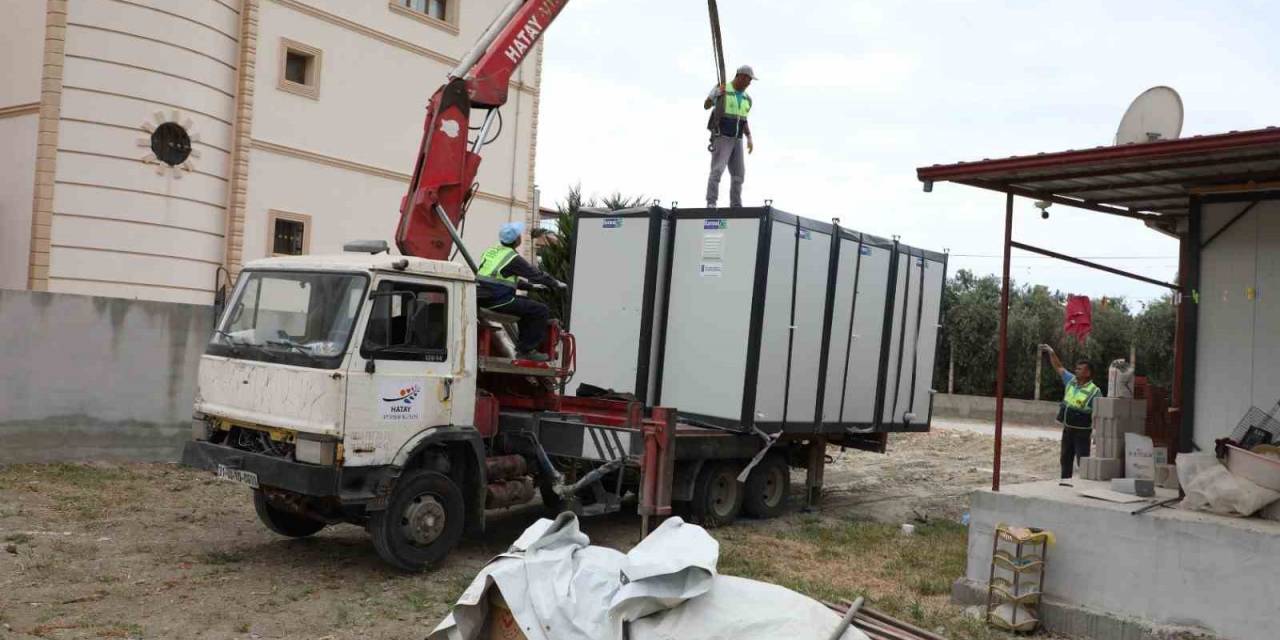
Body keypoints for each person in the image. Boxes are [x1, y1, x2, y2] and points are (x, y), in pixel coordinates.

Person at [476, 222, 567, 361]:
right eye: (519, 235)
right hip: (498, 300)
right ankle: (527, 350)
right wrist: (556, 284)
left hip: (484, 297)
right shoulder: (512, 258)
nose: (521, 237)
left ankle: (523, 347)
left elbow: (501, 278)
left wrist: (532, 287)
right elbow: (536, 274)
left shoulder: (491, 252)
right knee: (540, 310)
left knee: (527, 306)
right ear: (515, 240)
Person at [1041, 344, 1102, 480]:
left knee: (1083, 461)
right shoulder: (1071, 381)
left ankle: (1085, 483)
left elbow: (1099, 414)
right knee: (1065, 459)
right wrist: (1052, 353)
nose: (1076, 370)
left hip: (1082, 432)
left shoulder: (1095, 391)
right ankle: (1065, 482)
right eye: (1076, 368)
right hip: (1068, 429)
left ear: (1088, 373)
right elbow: (1059, 367)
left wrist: (1097, 433)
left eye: (1080, 369)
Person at [704, 64, 756, 208]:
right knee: (717, 170)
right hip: (722, 136)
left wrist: (749, 137)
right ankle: (711, 202)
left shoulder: (747, 99)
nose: (749, 83)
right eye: (748, 79)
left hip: (737, 138)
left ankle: (736, 205)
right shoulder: (723, 89)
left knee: (739, 174)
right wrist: (716, 93)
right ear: (740, 77)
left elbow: (743, 119)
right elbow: (706, 105)